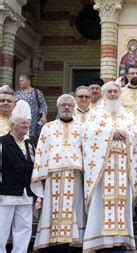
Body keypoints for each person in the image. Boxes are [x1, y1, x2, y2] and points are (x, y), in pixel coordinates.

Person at [82, 82, 137, 252]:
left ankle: (121, 241)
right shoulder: (95, 115)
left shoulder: (129, 116)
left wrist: (126, 135)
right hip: (103, 167)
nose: (113, 94)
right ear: (103, 94)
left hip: (123, 167)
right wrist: (109, 135)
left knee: (122, 204)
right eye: (109, 91)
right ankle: (100, 240)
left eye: (116, 91)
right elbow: (87, 134)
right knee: (101, 203)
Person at [31, 94, 85, 250]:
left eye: (69, 105)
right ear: (58, 107)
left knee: (74, 206)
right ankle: (52, 241)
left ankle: (74, 240)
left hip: (75, 175)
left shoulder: (82, 127)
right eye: (63, 105)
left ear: (74, 108)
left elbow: (88, 152)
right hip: (53, 175)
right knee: (52, 207)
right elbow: (41, 151)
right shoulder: (48, 127)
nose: (66, 107)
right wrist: (39, 174)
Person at [0, 113, 34, 253]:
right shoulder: (2, 142)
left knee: (24, 228)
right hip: (6, 193)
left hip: (25, 192)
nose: (27, 125)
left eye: (27, 123)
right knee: (1, 228)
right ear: (12, 125)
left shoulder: (29, 143)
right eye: (23, 123)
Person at [15, 74, 48, 144]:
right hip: (21, 120)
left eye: (21, 81)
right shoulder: (18, 93)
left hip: (34, 121)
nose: (20, 82)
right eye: (19, 81)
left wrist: (44, 116)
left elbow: (43, 104)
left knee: (32, 139)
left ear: (28, 81)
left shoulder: (36, 92)